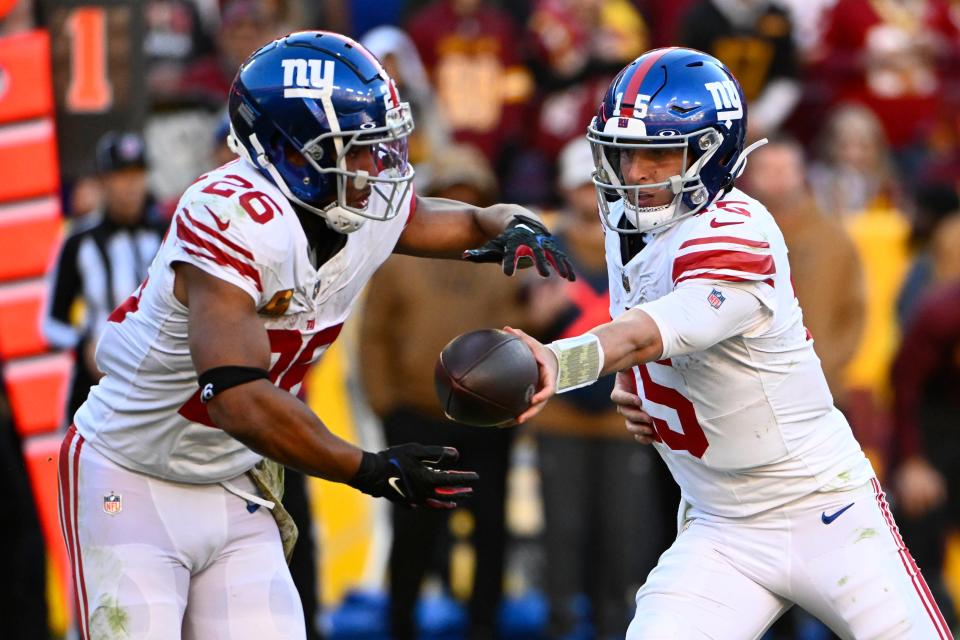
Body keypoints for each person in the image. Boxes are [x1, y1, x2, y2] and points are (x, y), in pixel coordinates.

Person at [57, 31, 574, 640]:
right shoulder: (231, 215)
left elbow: (436, 217)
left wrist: (508, 222)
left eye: (378, 145)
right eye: (354, 149)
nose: (374, 167)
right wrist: (368, 468)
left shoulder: (354, 208)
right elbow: (237, 395)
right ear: (288, 152)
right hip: (133, 476)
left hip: (234, 482)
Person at [505, 47, 952, 639]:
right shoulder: (630, 223)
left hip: (824, 510)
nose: (634, 172)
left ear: (711, 155)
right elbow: (649, 341)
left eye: (658, 153)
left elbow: (648, 331)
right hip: (721, 525)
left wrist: (559, 360)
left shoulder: (736, 232)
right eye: (624, 152)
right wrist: (648, 392)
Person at [359, 144, 524, 640]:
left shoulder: (504, 262)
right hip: (416, 415)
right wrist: (387, 409)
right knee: (412, 532)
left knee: (491, 529)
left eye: (471, 197)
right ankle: (402, 624)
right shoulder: (400, 260)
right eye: (451, 195)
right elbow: (373, 338)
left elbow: (522, 332)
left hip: (488, 421)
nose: (461, 204)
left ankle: (483, 625)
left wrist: (518, 404)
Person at [529, 137, 672, 639]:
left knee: (624, 538)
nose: (590, 197)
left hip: (621, 418)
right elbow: (518, 331)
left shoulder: (646, 243)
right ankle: (562, 623)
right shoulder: (543, 245)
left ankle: (618, 628)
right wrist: (536, 315)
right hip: (563, 416)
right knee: (564, 536)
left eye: (596, 186)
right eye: (579, 186)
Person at [44, 131, 167, 422]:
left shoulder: (168, 235)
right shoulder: (78, 241)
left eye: (137, 175)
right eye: (121, 176)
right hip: (96, 387)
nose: (130, 186)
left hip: (160, 384)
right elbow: (50, 324)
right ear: (102, 182)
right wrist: (83, 344)